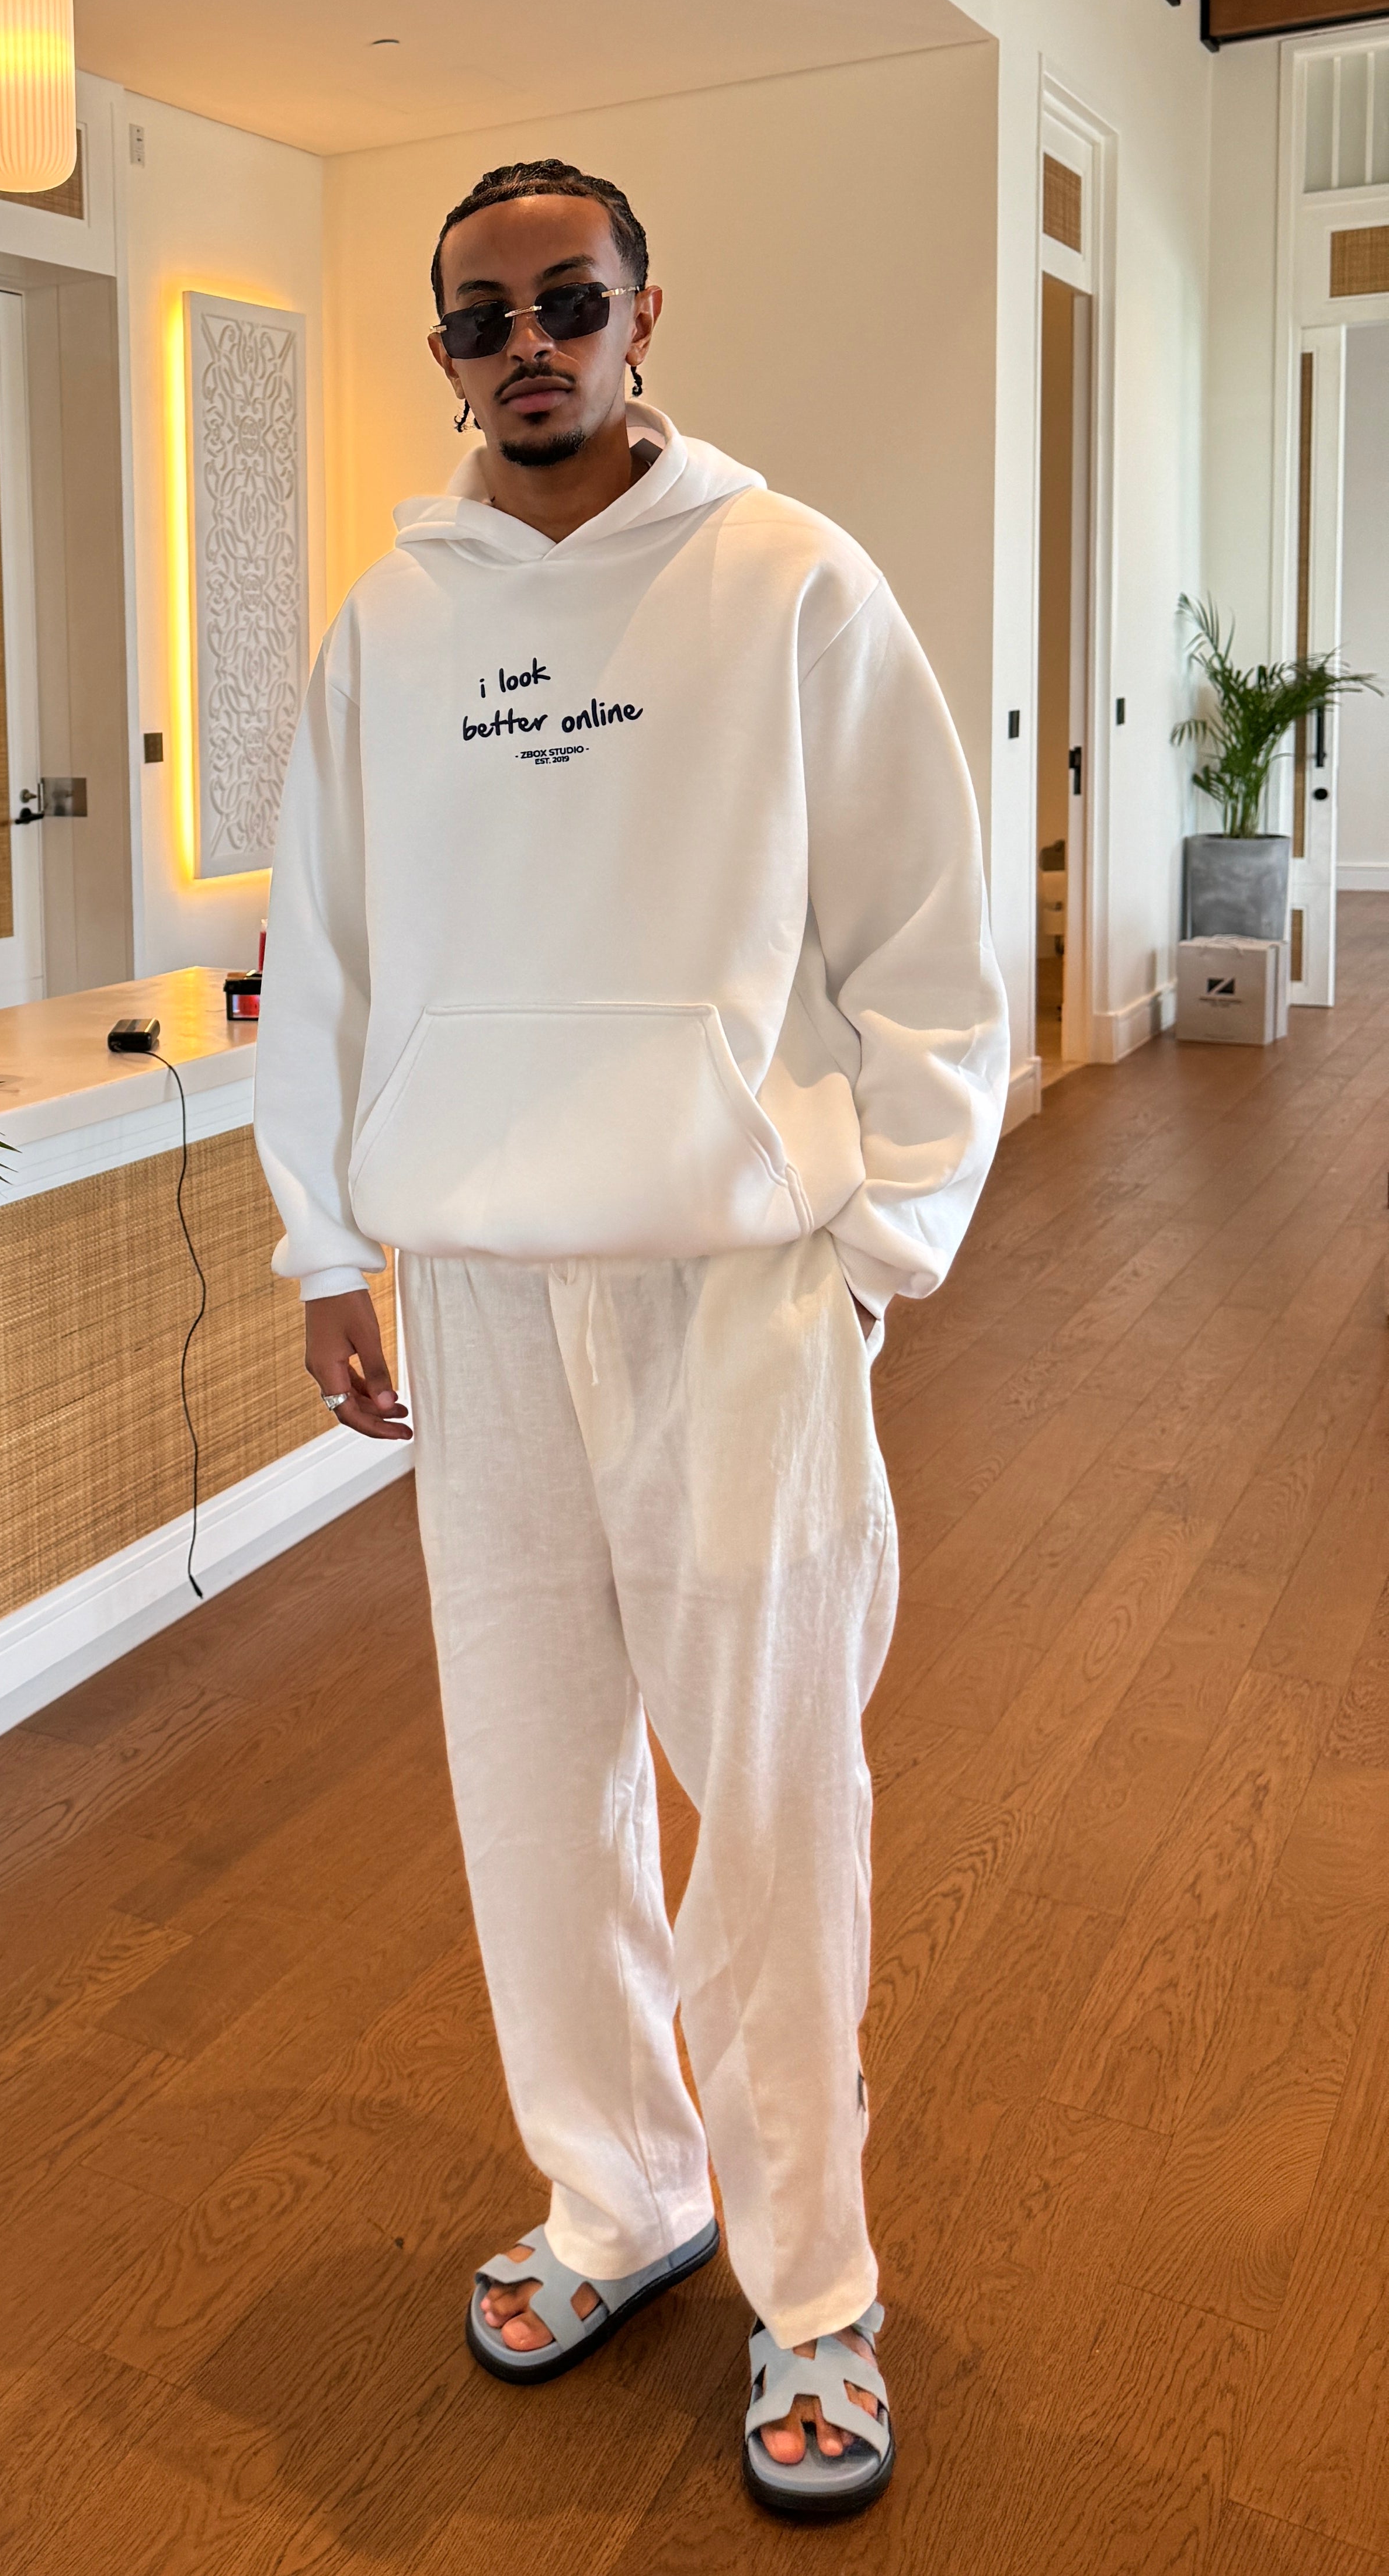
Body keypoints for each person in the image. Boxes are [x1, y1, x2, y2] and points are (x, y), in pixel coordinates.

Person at [254, 157, 1008, 2522]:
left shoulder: (790, 581)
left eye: (567, 302)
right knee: (530, 1785)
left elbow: (926, 947)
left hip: (734, 1289)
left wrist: (874, 1247)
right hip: (481, 1296)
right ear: (443, 355)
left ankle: (815, 2285)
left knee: (770, 1801)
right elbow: (324, 951)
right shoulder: (391, 624)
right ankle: (620, 2191)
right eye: (481, 321)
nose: (529, 350)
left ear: (645, 309)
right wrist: (321, 1243)